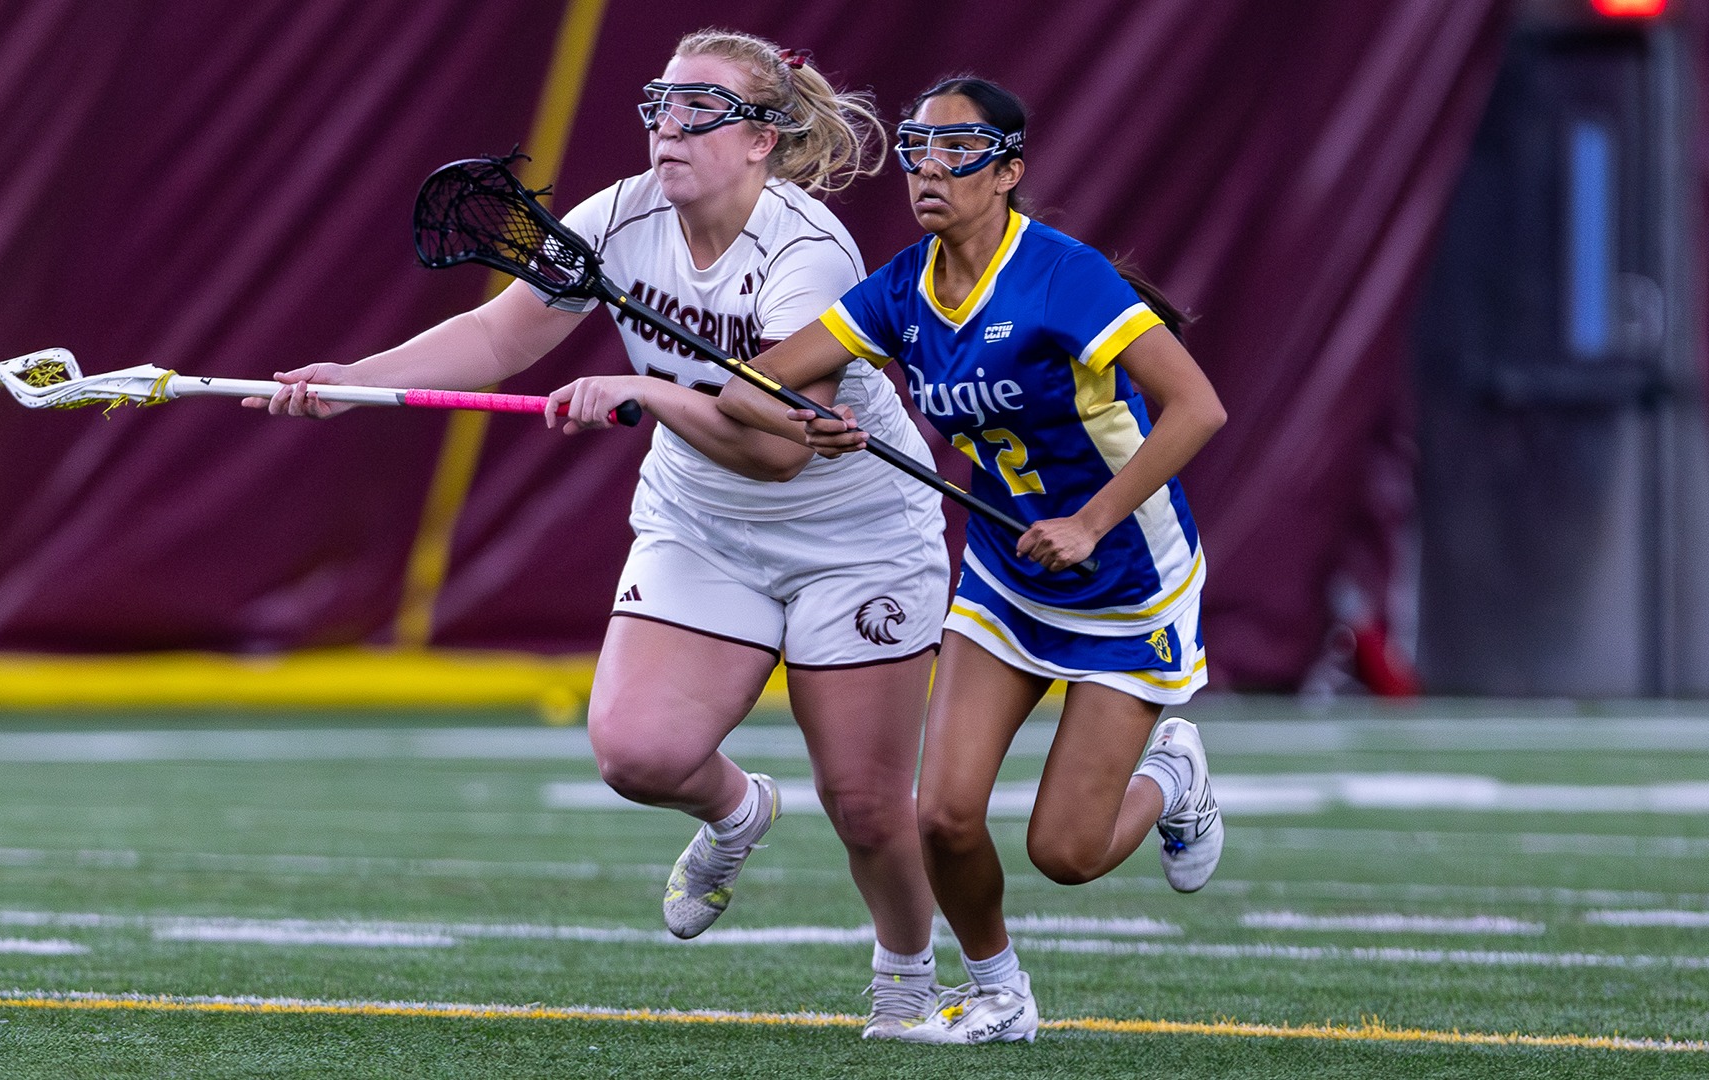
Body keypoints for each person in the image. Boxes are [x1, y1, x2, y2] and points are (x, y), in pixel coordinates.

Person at [252, 30, 951, 1039]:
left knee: (868, 807)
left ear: (761, 139)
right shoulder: (617, 217)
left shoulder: (808, 256)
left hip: (852, 533)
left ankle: (906, 977)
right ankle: (738, 812)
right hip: (703, 519)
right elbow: (500, 333)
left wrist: (645, 391)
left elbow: (781, 454)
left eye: (701, 109)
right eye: (661, 103)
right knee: (638, 754)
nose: (670, 126)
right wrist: (353, 382)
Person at [715, 76, 1228, 1045]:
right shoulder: (902, 289)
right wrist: (805, 421)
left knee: (1067, 852)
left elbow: (1199, 408)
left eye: (958, 151)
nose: (930, 169)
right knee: (942, 817)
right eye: (917, 149)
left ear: (1008, 171)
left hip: (1127, 580)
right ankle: (1000, 993)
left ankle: (1173, 776)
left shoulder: (1062, 275)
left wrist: (1091, 520)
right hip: (1003, 575)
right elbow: (749, 385)